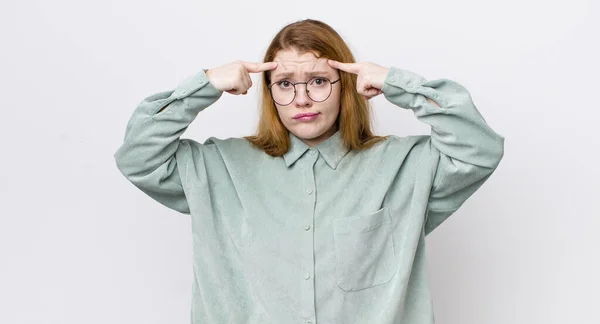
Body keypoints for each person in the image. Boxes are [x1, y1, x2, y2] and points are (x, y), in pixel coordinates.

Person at [114, 19, 504, 324]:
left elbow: (480, 149)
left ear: (345, 85)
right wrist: (205, 85)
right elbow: (137, 155)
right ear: (269, 91)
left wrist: (397, 83)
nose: (302, 98)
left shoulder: (406, 166)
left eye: (318, 81)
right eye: (284, 83)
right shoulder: (218, 167)